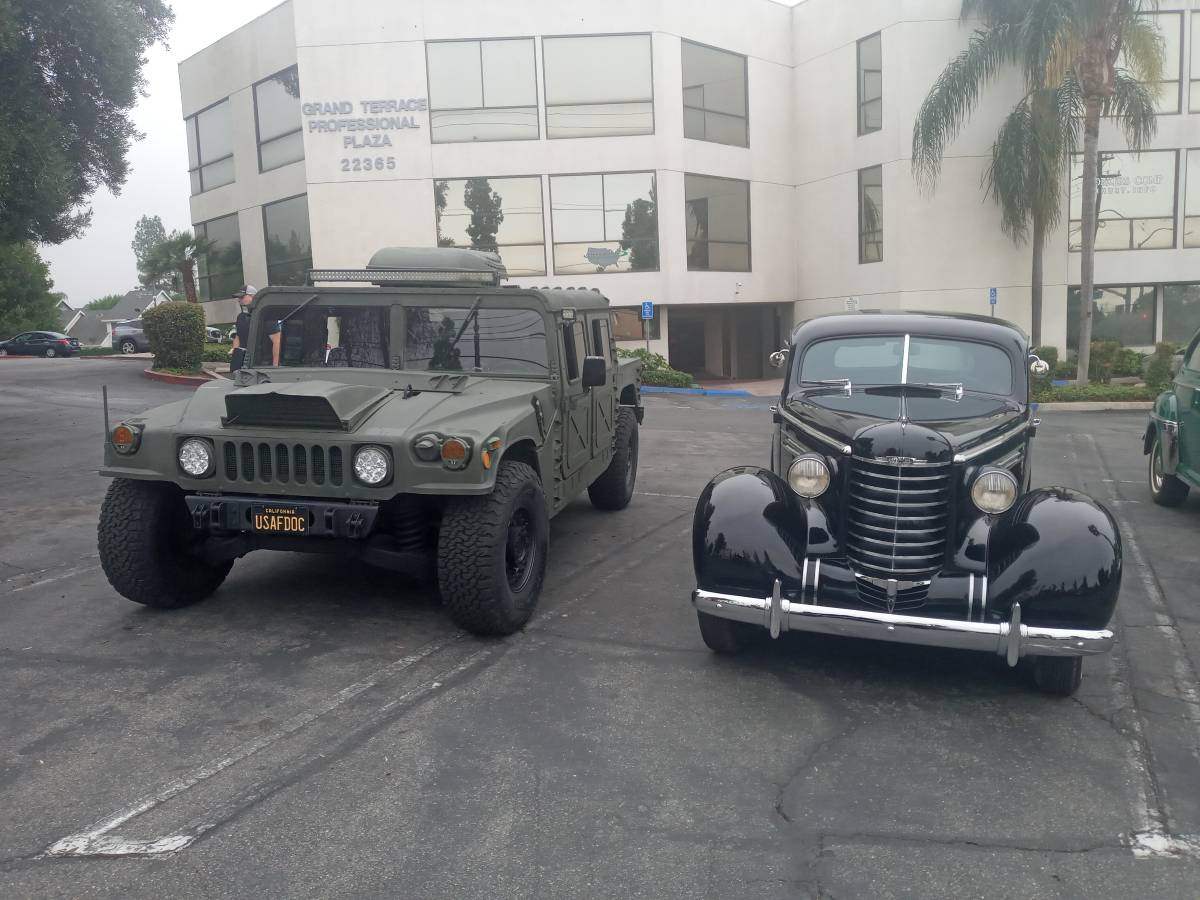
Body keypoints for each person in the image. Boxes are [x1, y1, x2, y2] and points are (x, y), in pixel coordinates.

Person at [229, 285, 282, 368]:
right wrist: (236, 359)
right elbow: (237, 337)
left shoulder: (267, 316)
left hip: (264, 364)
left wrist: (275, 366)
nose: (239, 300)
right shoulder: (241, 317)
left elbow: (277, 341)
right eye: (238, 298)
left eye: (242, 297)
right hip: (245, 363)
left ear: (253, 296)